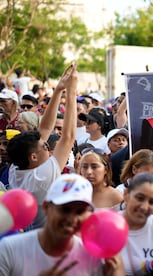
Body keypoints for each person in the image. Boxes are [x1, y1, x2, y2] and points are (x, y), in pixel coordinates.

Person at [0, 173, 124, 275]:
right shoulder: (9, 248)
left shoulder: (91, 256)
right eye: (65, 209)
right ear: (46, 207)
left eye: (80, 211)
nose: (72, 219)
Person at [7, 62, 78, 229]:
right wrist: (72, 91)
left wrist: (59, 89)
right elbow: (68, 138)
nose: (48, 148)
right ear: (33, 157)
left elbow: (45, 128)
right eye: (45, 147)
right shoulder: (41, 177)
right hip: (48, 241)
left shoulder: (15, 169)